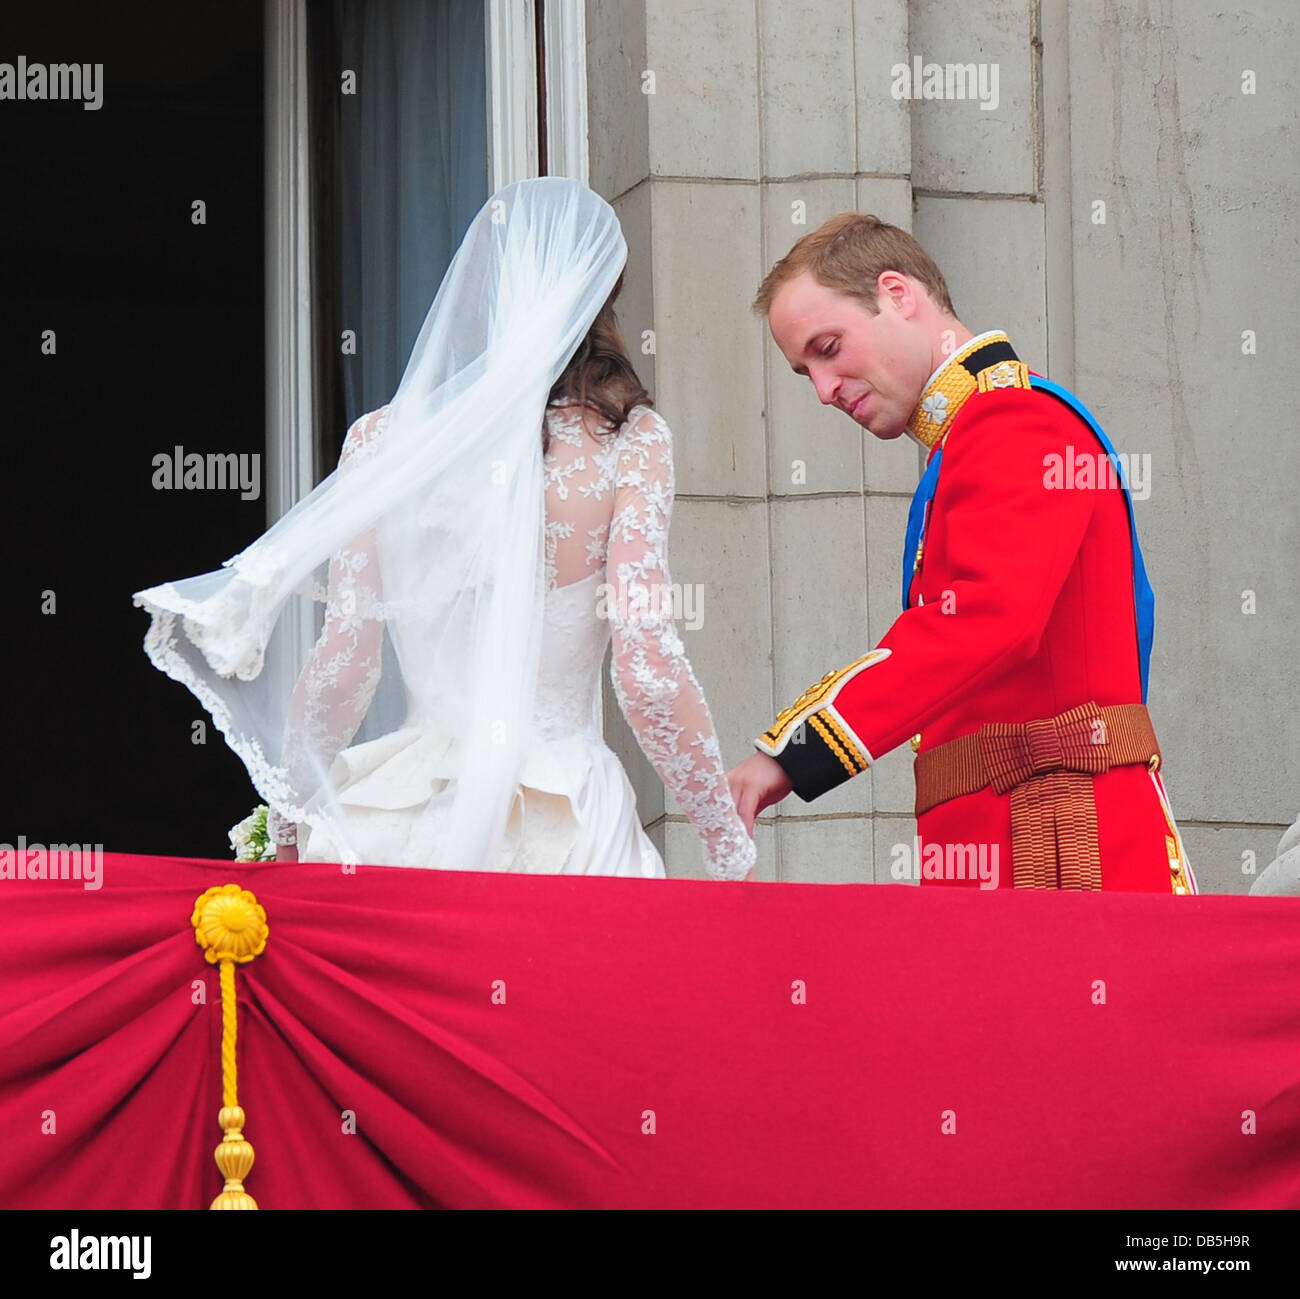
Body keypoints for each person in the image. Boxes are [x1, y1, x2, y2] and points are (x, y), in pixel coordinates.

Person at [134, 177, 755, 882]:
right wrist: (722, 833)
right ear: (601, 298)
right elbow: (645, 663)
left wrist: (288, 818)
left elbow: (346, 666)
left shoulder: (384, 443)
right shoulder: (629, 441)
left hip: (404, 817)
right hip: (569, 824)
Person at [726, 213, 1196, 893]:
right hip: (1031, 839)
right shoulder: (971, 437)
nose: (824, 389)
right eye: (806, 372)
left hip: (1062, 846)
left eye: (828, 347)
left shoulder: (1014, 420)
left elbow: (987, 621)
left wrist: (795, 752)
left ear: (898, 293)